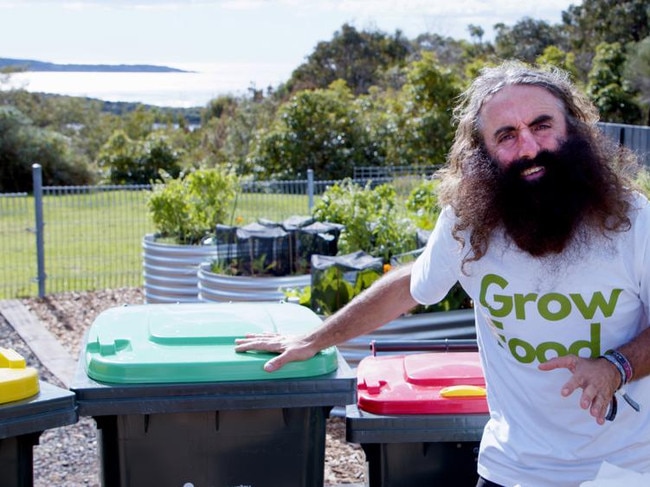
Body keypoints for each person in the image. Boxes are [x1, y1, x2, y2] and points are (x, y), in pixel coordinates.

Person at [235, 60, 650, 487]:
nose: (528, 147)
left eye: (542, 125)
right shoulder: (467, 225)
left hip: (625, 470)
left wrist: (615, 366)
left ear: (574, 129)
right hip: (514, 469)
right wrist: (315, 338)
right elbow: (409, 287)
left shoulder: (633, 220)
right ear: (482, 154)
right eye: (506, 135)